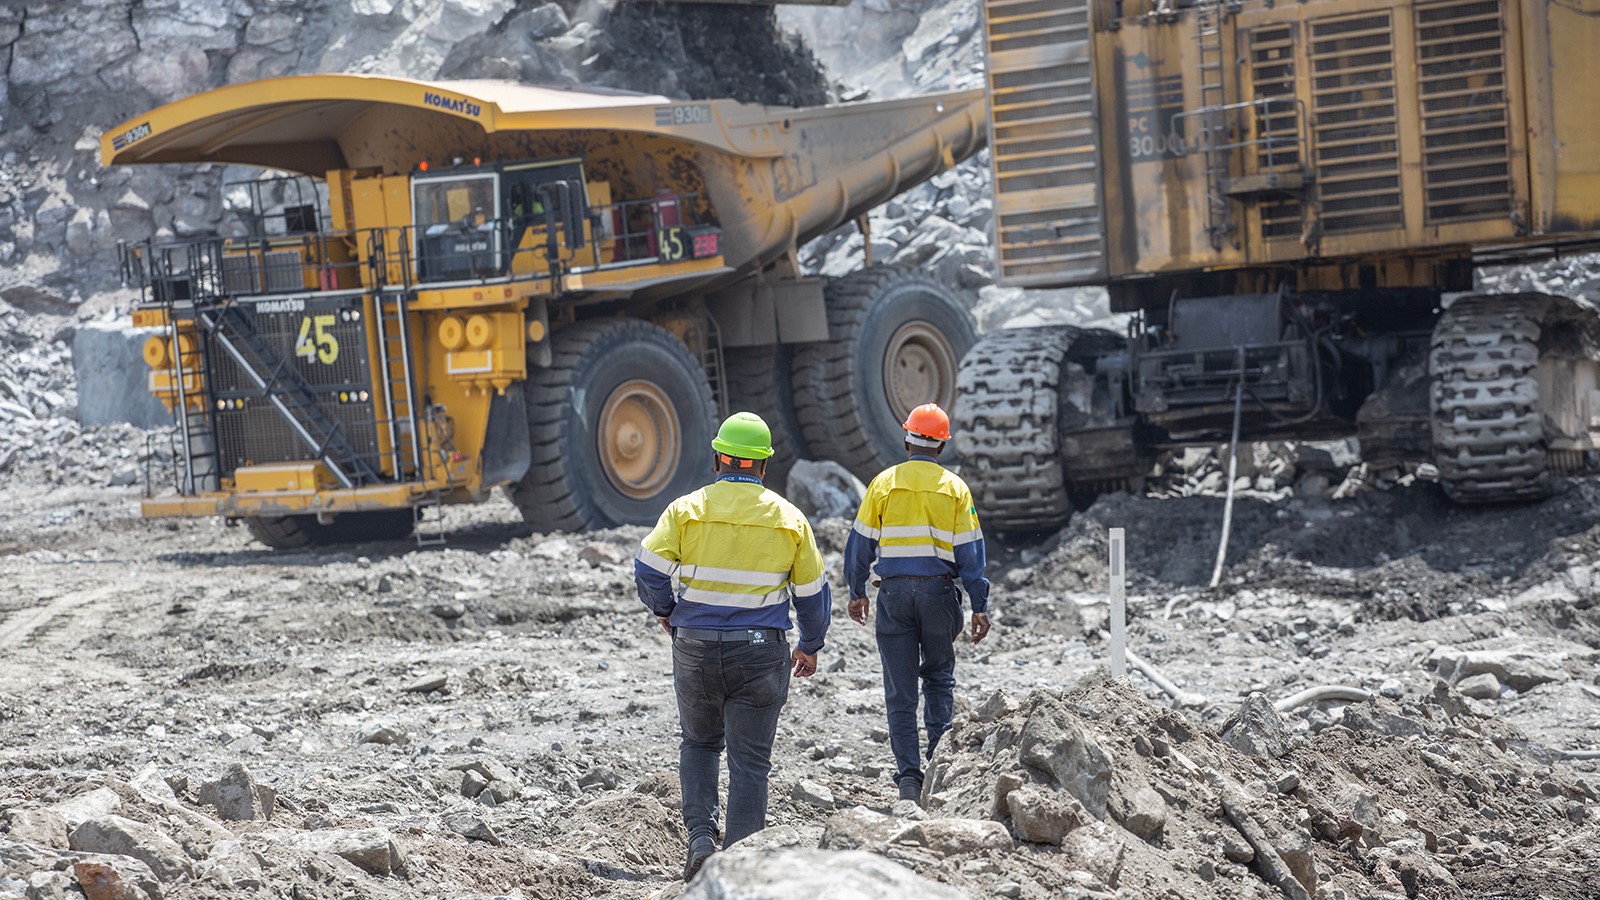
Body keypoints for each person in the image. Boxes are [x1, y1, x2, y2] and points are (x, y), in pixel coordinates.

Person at [634, 411, 831, 882]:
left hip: (695, 647)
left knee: (700, 744)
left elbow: (648, 569)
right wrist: (810, 643)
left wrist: (666, 610)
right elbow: (812, 593)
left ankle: (701, 839)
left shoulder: (686, 510)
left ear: (718, 459)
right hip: (761, 653)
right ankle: (739, 866)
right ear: (763, 464)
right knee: (751, 763)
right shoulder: (789, 518)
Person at [843, 402, 990, 805]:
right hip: (939, 594)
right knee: (939, 678)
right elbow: (971, 555)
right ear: (941, 446)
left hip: (893, 596)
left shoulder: (883, 484)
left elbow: (859, 546)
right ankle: (939, 769)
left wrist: (856, 591)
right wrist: (979, 605)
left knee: (900, 691)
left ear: (906, 440)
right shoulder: (955, 489)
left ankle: (909, 780)